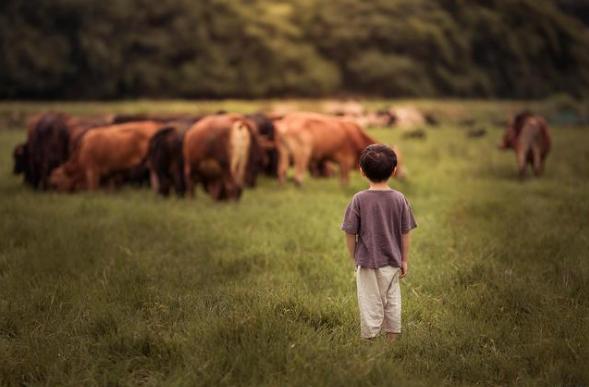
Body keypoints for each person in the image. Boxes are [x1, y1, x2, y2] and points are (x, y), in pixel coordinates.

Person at [341, 144, 417, 341]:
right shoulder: (400, 199)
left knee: (369, 301)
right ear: (393, 170)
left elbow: (350, 233)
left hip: (366, 262)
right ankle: (392, 340)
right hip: (392, 261)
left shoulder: (358, 199)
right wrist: (404, 259)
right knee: (392, 300)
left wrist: (354, 256)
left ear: (361, 171)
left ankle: (370, 339)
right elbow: (405, 231)